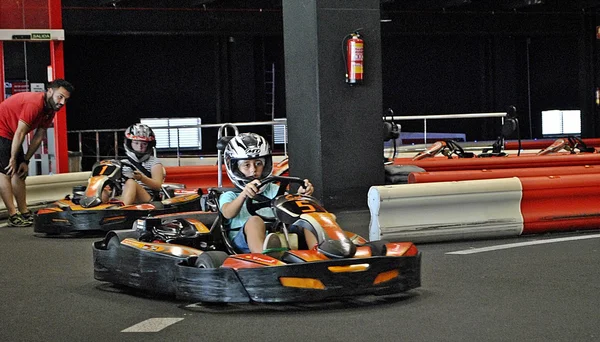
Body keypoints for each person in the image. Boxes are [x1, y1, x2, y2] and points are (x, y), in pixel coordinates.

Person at [219, 132, 317, 253]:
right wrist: (243, 194)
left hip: (279, 232)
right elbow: (227, 213)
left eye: (258, 164)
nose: (253, 169)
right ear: (235, 168)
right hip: (243, 242)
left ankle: (320, 252)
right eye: (246, 165)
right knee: (255, 221)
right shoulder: (230, 195)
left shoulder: (274, 189)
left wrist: (301, 195)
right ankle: (264, 256)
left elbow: (290, 209)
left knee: (307, 217)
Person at [0, 79, 74, 227]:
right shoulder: (35, 103)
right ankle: (13, 214)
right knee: (6, 171)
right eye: (60, 97)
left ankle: (24, 211)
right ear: (50, 91)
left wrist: (25, 161)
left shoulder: (50, 110)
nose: (62, 102)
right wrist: (13, 158)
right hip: (4, 131)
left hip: (12, 134)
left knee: (20, 172)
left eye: (65, 99)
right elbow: (21, 132)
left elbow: (39, 136)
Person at [113, 123, 165, 205]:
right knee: (103, 190)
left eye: (144, 144)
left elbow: (158, 186)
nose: (140, 146)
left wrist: (142, 178)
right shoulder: (122, 162)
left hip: (147, 197)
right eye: (136, 143)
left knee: (131, 182)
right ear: (129, 143)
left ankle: (121, 211)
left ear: (149, 145)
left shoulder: (155, 162)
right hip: (124, 194)